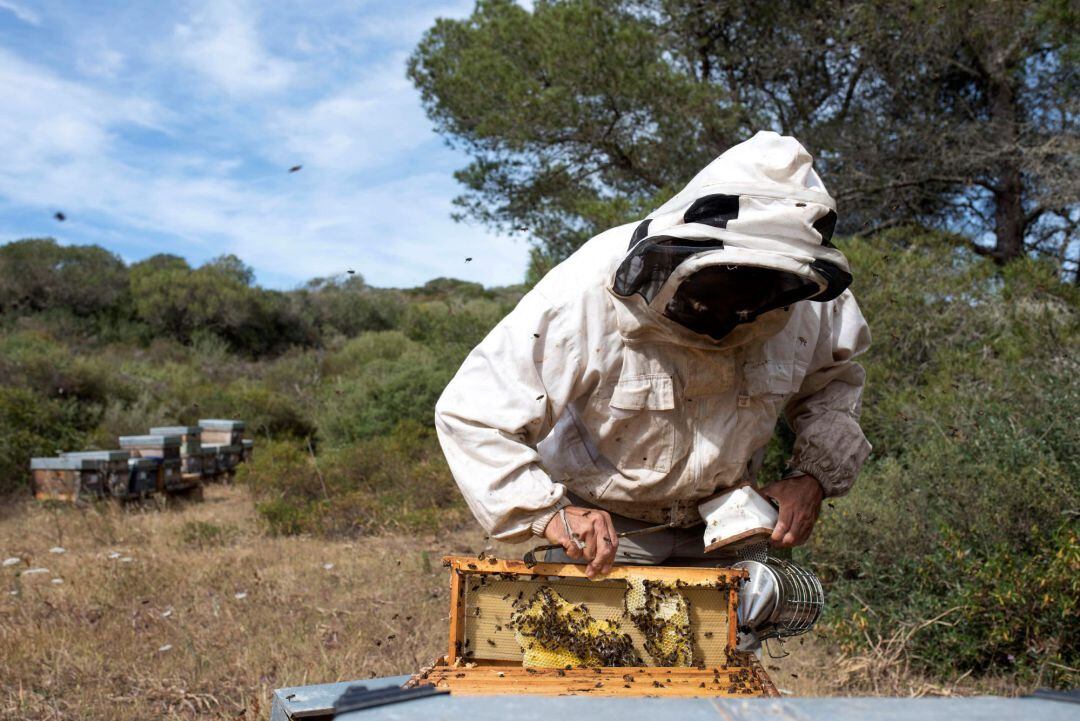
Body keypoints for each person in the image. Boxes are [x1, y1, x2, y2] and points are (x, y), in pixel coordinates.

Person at [435, 131, 871, 577]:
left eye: (756, 294)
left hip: (731, 525)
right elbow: (474, 414)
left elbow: (834, 385)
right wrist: (550, 515)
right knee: (585, 644)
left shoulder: (811, 303)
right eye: (721, 290)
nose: (732, 312)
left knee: (719, 646)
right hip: (604, 532)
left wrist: (811, 478)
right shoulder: (581, 293)